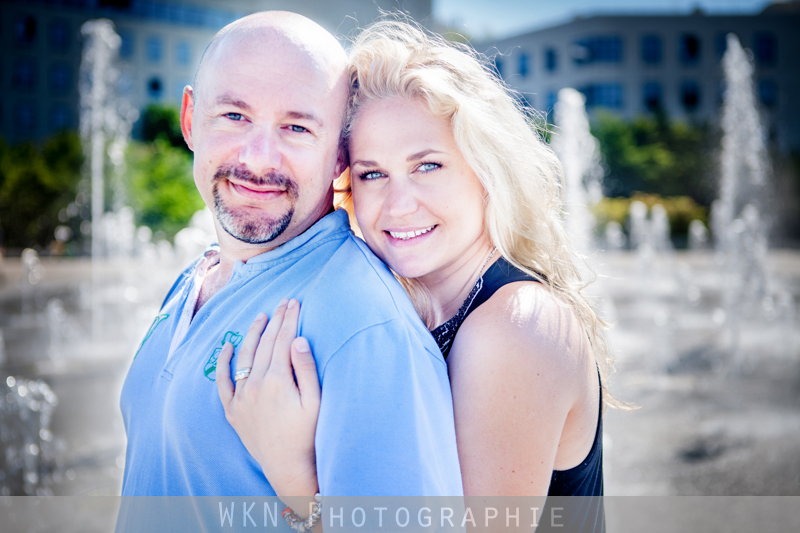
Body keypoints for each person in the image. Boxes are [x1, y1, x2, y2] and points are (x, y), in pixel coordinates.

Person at [217, 19, 620, 530]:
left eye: (427, 166)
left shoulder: (517, 325)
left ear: (485, 170)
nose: (398, 204)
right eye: (372, 174)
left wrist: (295, 477)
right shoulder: (394, 305)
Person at [118, 12, 463, 499]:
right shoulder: (196, 277)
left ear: (340, 153)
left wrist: (302, 493)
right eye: (234, 116)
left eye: (297, 127)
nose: (258, 158)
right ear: (191, 120)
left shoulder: (367, 326)